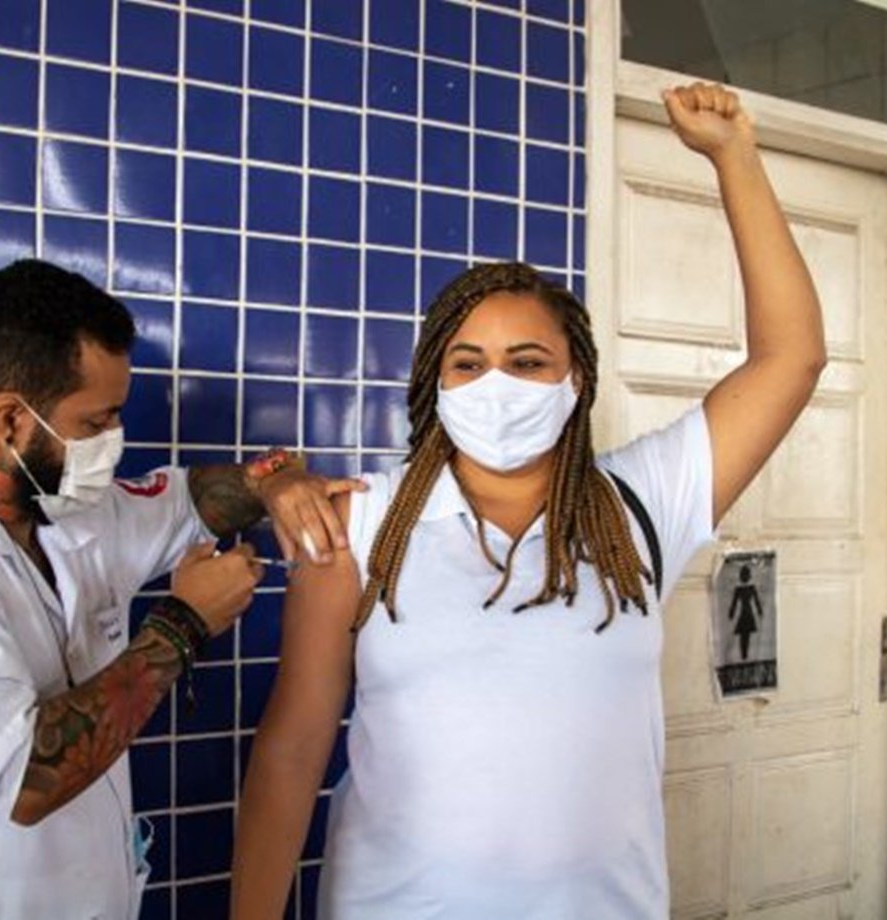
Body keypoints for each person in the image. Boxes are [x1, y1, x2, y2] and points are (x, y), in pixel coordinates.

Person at [230, 82, 825, 920]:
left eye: (528, 361)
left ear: (574, 381)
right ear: (435, 386)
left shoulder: (641, 504)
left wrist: (735, 157)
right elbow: (293, 748)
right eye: (468, 364)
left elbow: (792, 358)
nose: (497, 384)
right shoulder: (361, 522)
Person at [0, 259, 361, 920]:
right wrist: (182, 625)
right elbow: (26, 776)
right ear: (9, 422)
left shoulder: (70, 512)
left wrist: (274, 482)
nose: (114, 441)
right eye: (94, 424)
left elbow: (194, 500)